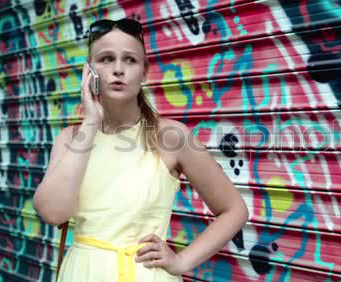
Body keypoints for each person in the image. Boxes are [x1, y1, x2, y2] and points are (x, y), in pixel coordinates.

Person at [32, 18, 249, 282]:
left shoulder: (171, 136)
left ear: (144, 71)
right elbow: (52, 213)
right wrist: (90, 123)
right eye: (106, 59)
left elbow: (234, 209)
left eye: (130, 60)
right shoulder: (71, 138)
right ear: (89, 70)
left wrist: (181, 261)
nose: (118, 69)